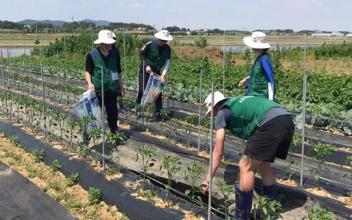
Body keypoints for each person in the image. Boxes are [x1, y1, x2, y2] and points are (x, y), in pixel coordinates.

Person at [200, 92, 294, 220]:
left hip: (269, 122)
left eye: (212, 112)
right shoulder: (236, 102)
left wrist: (207, 179)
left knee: (245, 167)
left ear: (215, 106)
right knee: (263, 162)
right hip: (286, 119)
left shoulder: (222, 112)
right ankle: (269, 210)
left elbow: (218, 151)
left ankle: (241, 216)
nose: (214, 115)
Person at [84, 30, 125, 137]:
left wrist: (121, 87)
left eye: (110, 43)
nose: (108, 46)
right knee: (94, 114)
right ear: (100, 43)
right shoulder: (92, 55)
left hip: (112, 88)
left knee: (113, 113)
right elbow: (88, 71)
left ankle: (114, 133)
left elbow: (118, 71)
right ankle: (86, 139)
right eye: (106, 44)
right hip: (98, 89)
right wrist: (89, 83)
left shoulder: (115, 54)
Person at [135, 30, 172, 121]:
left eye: (164, 41)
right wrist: (146, 65)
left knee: (157, 93)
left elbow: (167, 62)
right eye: (161, 40)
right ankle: (138, 110)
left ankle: (157, 115)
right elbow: (142, 55)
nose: (162, 42)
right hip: (145, 71)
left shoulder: (167, 49)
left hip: (156, 73)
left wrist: (163, 75)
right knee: (142, 90)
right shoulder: (150, 44)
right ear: (157, 38)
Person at [238, 31, 275, 100]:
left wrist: (270, 99)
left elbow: (270, 79)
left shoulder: (264, 60)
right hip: (254, 93)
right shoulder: (259, 57)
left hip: (261, 96)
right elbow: (258, 74)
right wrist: (247, 79)